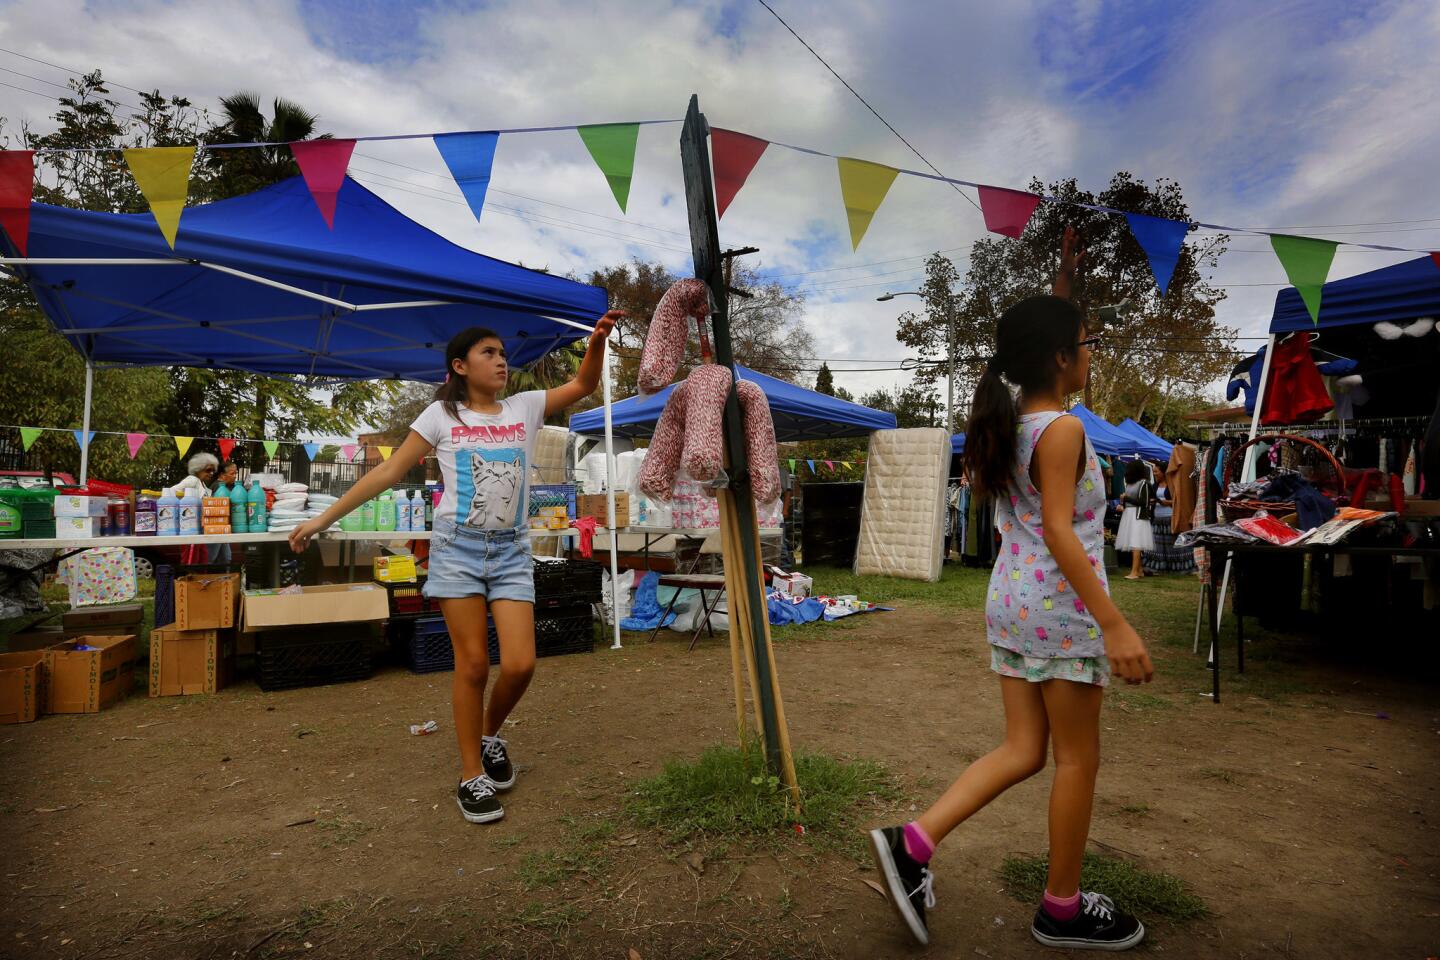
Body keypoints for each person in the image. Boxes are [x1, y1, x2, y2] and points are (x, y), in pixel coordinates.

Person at [867, 228, 1154, 952]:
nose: (1091, 352)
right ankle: (1061, 907)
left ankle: (913, 842)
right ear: (1060, 359)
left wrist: (1062, 286)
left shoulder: (1015, 421)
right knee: (1076, 759)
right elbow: (1060, 530)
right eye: (1086, 343)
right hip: (1059, 608)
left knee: (1025, 749)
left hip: (1014, 601)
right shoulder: (1060, 432)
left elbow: (1043, 346)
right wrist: (1114, 623)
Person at [288, 311, 621, 825]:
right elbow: (389, 471)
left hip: (511, 550)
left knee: (520, 665)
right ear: (460, 366)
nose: (501, 361)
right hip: (457, 550)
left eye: (503, 354)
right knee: (471, 666)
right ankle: (471, 776)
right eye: (489, 353)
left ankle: (489, 736)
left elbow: (583, 383)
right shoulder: (440, 417)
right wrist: (321, 518)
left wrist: (596, 341)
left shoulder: (524, 407)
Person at [1116, 461, 1155, 580]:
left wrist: (1126, 498)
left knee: (1136, 543)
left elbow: (1145, 502)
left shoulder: (1144, 483)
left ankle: (1134, 572)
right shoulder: (1129, 484)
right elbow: (1128, 502)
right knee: (1133, 543)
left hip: (1138, 516)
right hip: (1129, 514)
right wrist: (1122, 505)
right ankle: (1139, 570)